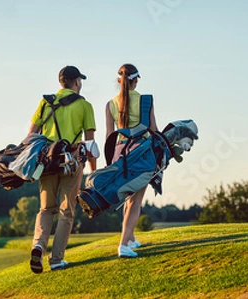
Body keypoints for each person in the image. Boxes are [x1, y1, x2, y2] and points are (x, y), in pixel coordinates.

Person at [28, 65, 97, 273]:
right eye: (80, 81)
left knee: (46, 208)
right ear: (76, 82)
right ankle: (56, 259)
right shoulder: (85, 106)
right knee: (66, 211)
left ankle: (38, 245)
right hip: (72, 162)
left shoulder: (45, 102)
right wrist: (92, 172)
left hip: (47, 162)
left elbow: (31, 135)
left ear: (61, 83)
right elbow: (90, 144)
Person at [106, 63, 157, 258]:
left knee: (128, 199)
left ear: (119, 81)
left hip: (120, 153)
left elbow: (110, 137)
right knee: (136, 201)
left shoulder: (110, 104)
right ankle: (123, 246)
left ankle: (130, 239)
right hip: (141, 154)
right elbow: (153, 130)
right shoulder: (146, 100)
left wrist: (111, 163)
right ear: (135, 80)